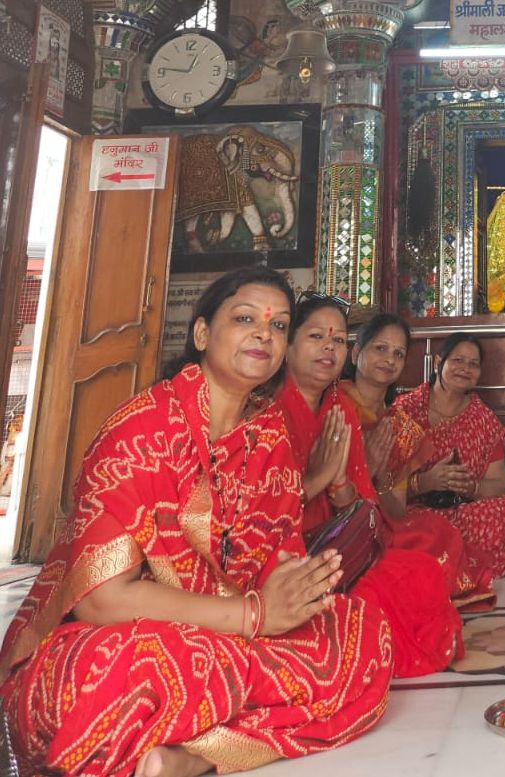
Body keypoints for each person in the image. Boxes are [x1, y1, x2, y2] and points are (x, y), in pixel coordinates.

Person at [0, 267, 392, 777]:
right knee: (123, 671)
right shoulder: (141, 431)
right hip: (122, 639)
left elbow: (278, 566)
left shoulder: (269, 435)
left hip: (230, 635)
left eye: (278, 326)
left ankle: (192, 756)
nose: (264, 334)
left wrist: (295, 591)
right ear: (202, 333)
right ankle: (220, 727)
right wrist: (253, 615)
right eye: (245, 319)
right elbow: (102, 601)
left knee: (361, 636)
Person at [277, 294, 462, 676]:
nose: (329, 347)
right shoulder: (266, 409)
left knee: (423, 572)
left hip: (335, 543)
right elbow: (261, 511)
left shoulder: (339, 409)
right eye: (316, 337)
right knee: (377, 600)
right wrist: (319, 478)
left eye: (337, 340)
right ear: (287, 344)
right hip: (279, 554)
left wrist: (341, 481)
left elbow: (362, 508)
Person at [337, 315, 496, 607]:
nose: (390, 359)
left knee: (437, 531)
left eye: (398, 354)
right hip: (338, 523)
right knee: (420, 551)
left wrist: (379, 478)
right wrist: (366, 467)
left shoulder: (399, 424)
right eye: (381, 348)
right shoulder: (334, 405)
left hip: (381, 519)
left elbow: (396, 510)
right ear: (356, 353)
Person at [395, 333, 505, 578]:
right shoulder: (406, 410)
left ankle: (449, 560)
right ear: (438, 363)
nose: (465, 369)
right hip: (416, 513)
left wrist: (473, 487)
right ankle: (495, 558)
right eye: (458, 360)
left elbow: (499, 482)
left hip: (463, 514)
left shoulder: (484, 420)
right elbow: (383, 486)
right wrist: (426, 482)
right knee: (407, 528)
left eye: (473, 364)